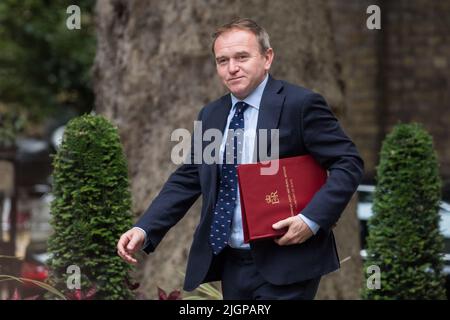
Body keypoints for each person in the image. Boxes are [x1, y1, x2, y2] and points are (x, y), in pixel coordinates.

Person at [117, 18, 364, 300]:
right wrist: (144, 228)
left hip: (288, 261)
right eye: (222, 61)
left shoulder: (301, 105)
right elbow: (188, 178)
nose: (232, 68)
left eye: (242, 57)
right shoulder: (212, 114)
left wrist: (311, 220)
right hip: (230, 262)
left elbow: (348, 163)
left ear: (267, 58)